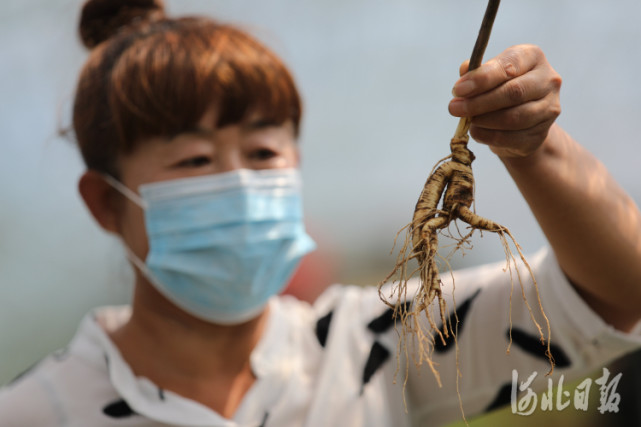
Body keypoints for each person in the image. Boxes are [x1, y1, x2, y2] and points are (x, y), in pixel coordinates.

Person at [1, 1, 640, 426]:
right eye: (195, 160)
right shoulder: (39, 410)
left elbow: (613, 297)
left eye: (262, 150)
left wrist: (536, 150)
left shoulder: (370, 346)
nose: (242, 182)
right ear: (105, 201)